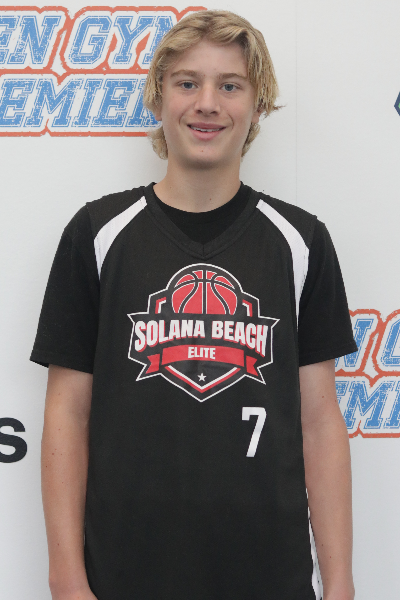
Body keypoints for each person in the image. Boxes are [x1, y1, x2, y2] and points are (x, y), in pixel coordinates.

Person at [31, 10, 357, 600]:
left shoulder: (300, 241)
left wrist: (339, 581)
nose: (207, 103)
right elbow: (67, 414)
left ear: (258, 105)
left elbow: (319, 421)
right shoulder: (97, 233)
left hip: (269, 574)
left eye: (230, 85)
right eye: (187, 82)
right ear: (159, 97)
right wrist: (65, 577)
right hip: (123, 572)